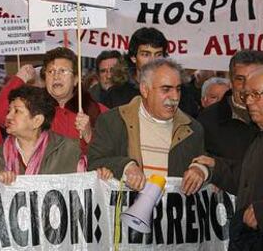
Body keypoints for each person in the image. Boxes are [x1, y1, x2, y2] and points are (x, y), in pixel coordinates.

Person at [88, 58, 208, 195]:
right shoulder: (113, 121)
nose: (175, 97)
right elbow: (94, 163)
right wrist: (126, 166)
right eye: (166, 89)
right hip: (124, 214)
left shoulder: (193, 129)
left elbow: (209, 163)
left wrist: (200, 170)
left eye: (178, 89)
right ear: (145, 89)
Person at [0, 47, 108, 156]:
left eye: (63, 71)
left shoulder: (97, 110)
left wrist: (89, 136)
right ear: (44, 78)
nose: (56, 76)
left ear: (76, 79)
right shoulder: (33, 108)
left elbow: (110, 153)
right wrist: (20, 78)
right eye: (51, 71)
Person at [194, 68, 263, 251]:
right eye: (247, 95)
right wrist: (216, 167)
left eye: (256, 95)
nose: (249, 101)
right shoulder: (259, 137)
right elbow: (247, 179)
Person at [104, 27, 199, 117]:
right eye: (146, 54)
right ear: (133, 57)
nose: (153, 60)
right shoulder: (116, 94)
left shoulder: (179, 92)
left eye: (158, 55)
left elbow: (187, 124)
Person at [197, 51, 263, 161]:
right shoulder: (208, 121)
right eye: (240, 79)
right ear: (231, 82)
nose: (246, 86)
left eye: (254, 78)